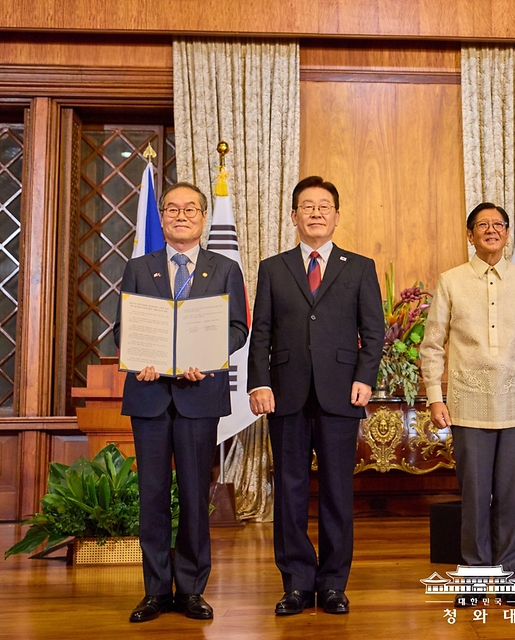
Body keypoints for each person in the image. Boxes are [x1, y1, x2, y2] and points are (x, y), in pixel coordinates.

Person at [247, 175, 384, 616]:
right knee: (288, 491)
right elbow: (261, 332)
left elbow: (374, 331)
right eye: (308, 207)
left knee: (337, 492)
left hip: (342, 394)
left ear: (337, 216)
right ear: (293, 216)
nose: (316, 213)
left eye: (324, 207)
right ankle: (296, 583)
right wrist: (259, 381)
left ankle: (332, 585)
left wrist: (365, 377)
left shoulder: (359, 267)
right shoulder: (273, 267)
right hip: (284, 394)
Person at [115, 182, 249, 623]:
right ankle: (154, 591)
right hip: (150, 393)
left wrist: (206, 356)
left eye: (190, 208)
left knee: (194, 496)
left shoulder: (225, 268)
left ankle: (190, 590)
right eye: (172, 208)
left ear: (203, 217)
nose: (181, 215)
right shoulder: (139, 267)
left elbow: (237, 329)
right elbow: (124, 329)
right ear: (162, 217)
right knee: (152, 496)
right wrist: (141, 359)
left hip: (198, 394)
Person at [420, 202, 515, 607]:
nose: (491, 231)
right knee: (475, 495)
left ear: (508, 233)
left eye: (498, 225)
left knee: (510, 495)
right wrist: (435, 398)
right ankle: (475, 578)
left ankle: (509, 578)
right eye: (482, 225)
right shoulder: (451, 281)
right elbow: (432, 346)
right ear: (470, 234)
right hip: (466, 402)